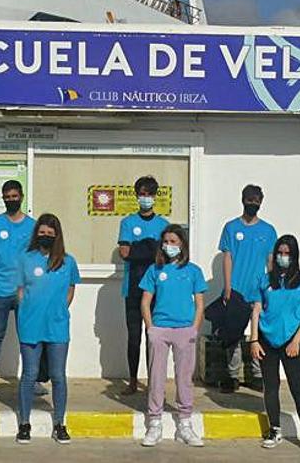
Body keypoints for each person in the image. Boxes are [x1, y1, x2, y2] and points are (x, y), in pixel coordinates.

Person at [249, 235, 300, 454]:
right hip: (266, 341)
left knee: (298, 388)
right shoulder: (265, 280)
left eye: (287, 253)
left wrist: (296, 341)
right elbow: (256, 309)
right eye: (280, 253)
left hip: (291, 341)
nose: (283, 257)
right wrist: (254, 340)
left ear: (295, 256)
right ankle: (274, 429)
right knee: (270, 387)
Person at [0, 180, 45, 397]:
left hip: (25, 291)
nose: (10, 200)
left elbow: (37, 255)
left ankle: (31, 379)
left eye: (14, 196)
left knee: (28, 335)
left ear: (21, 197)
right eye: (7, 196)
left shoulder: (33, 226)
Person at [139, 225, 206, 448]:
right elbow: (145, 301)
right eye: (166, 241)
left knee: (184, 377)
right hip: (160, 329)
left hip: (185, 330)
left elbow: (199, 303)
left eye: (174, 241)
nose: (170, 245)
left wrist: (194, 328)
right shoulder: (154, 270)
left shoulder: (193, 271)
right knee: (156, 376)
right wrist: (151, 329)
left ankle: (185, 423)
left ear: (183, 244)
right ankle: (155, 422)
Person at [14, 214, 79, 445]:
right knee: (30, 374)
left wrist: (60, 308)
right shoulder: (25, 258)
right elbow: (20, 289)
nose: (46, 237)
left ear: (57, 236)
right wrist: (26, 311)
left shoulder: (68, 261)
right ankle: (24, 423)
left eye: (50, 234)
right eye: (42, 233)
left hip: (58, 325)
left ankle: (60, 423)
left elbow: (71, 289)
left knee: (58, 376)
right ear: (36, 234)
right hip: (30, 324)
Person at [219, 184, 277, 393]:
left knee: (258, 335)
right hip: (236, 290)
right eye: (249, 199)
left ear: (261, 202)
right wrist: (227, 287)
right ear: (242, 200)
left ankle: (257, 374)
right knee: (233, 335)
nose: (253, 203)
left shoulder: (268, 231)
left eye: (256, 200)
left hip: (259, 291)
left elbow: (271, 260)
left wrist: (272, 288)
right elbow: (227, 257)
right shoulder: (231, 228)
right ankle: (233, 375)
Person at [117, 176, 169, 395]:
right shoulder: (128, 222)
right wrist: (150, 249)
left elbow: (166, 255)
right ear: (137, 195)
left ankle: (152, 380)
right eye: (142, 193)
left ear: (155, 196)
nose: (145, 198)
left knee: (154, 336)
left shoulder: (163, 225)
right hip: (132, 288)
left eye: (149, 194)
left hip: (157, 290)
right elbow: (124, 253)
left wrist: (140, 249)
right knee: (134, 337)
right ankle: (132, 380)